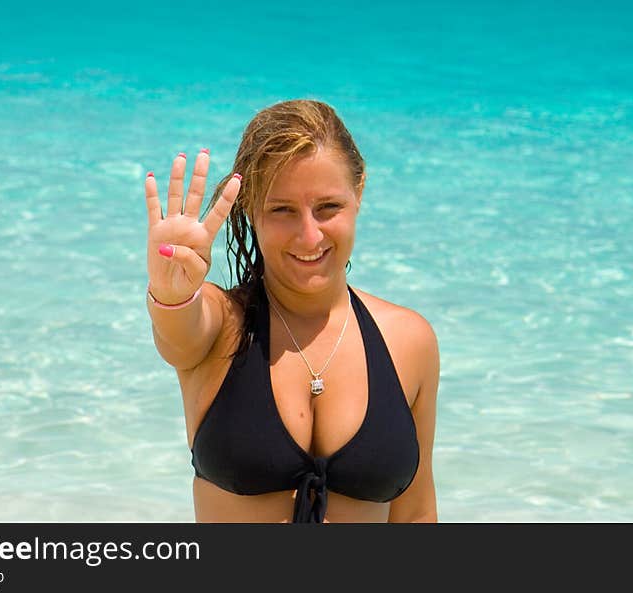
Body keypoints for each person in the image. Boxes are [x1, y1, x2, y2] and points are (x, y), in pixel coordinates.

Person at [143, 99, 439, 523]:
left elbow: (415, 516)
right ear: (248, 207)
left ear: (359, 192)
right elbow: (178, 330)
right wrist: (169, 293)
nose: (309, 235)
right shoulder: (221, 326)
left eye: (328, 208)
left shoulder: (409, 342)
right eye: (282, 210)